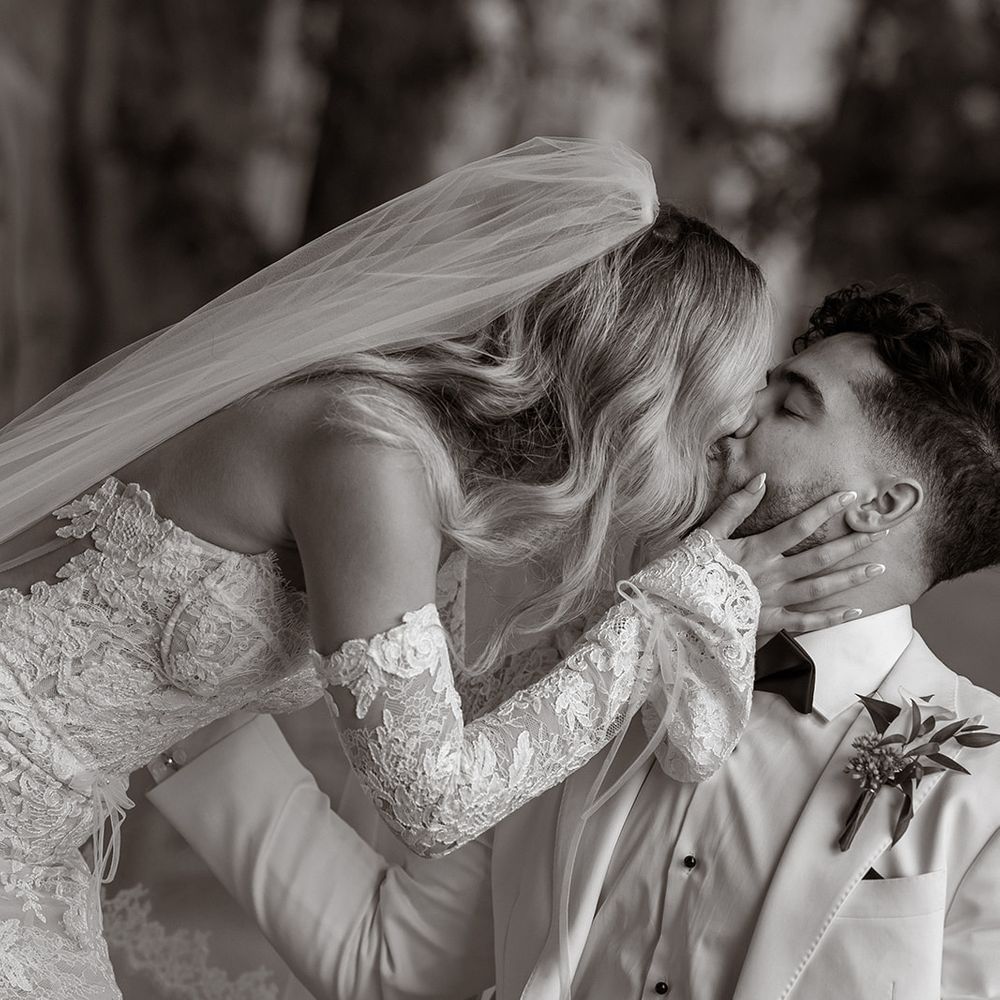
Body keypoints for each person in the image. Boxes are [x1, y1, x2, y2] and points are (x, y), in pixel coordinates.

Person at [0, 139, 878, 999]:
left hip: (35, 831)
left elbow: (462, 712)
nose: (736, 435)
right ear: (642, 395)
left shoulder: (444, 475)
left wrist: (672, 610)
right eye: (726, 414)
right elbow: (431, 802)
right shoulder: (371, 457)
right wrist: (660, 626)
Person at [149, 285, 1000, 1000]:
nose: (735, 420)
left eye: (789, 406)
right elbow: (395, 961)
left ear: (880, 506)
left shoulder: (986, 794)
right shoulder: (587, 669)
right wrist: (170, 703)